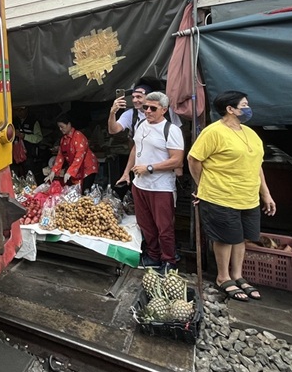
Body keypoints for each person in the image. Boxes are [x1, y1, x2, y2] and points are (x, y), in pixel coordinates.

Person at [187, 90, 276, 302]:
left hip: (248, 197)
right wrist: (203, 186)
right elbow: (194, 160)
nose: (247, 108)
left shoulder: (250, 133)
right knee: (226, 239)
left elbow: (257, 165)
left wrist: (266, 193)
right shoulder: (213, 132)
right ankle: (223, 277)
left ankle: (238, 275)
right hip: (220, 195)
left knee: (241, 238)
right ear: (230, 109)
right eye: (244, 105)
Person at [117, 92, 184, 272]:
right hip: (140, 185)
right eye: (145, 107)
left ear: (164, 109)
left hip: (160, 187)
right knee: (145, 224)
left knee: (164, 227)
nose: (147, 111)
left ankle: (169, 261)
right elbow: (135, 149)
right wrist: (126, 172)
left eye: (152, 108)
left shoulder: (171, 130)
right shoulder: (141, 124)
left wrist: (149, 168)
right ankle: (153, 256)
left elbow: (177, 160)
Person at [46, 113, 99, 192]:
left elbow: (79, 156)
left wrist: (69, 172)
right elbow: (60, 156)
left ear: (69, 124)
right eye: (59, 127)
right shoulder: (63, 140)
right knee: (75, 192)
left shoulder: (78, 136)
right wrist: (53, 172)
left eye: (62, 127)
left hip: (88, 168)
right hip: (76, 169)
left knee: (85, 192)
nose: (60, 129)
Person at [13, 106, 45, 182]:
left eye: (21, 110)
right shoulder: (14, 121)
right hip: (16, 155)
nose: (19, 112)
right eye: (17, 110)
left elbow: (39, 138)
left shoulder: (33, 121)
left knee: (30, 176)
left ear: (26, 109)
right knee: (17, 177)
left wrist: (24, 136)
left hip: (30, 155)